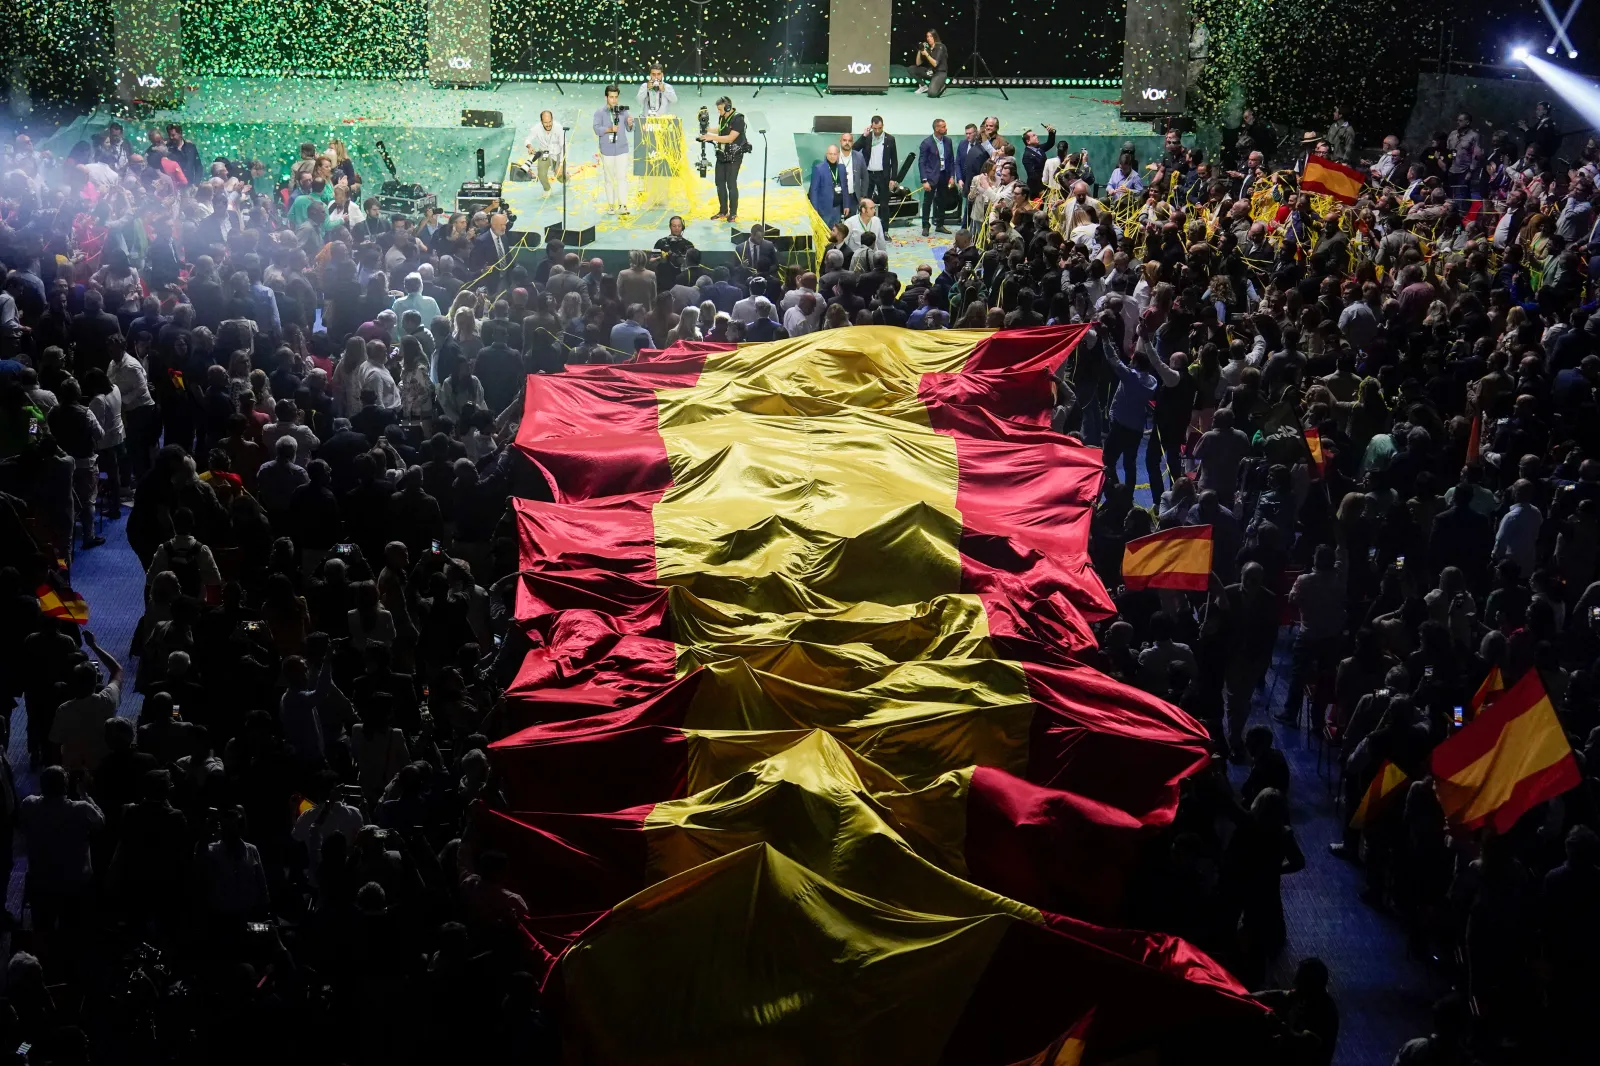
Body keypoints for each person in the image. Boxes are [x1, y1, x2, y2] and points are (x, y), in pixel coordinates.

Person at [697, 96, 748, 223]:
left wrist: (711, 137)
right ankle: (723, 211)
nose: (719, 112)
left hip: (734, 157)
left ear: (728, 107)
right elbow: (721, 129)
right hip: (722, 155)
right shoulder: (723, 117)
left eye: (720, 109)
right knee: (720, 183)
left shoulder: (738, 119)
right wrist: (706, 130)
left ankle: (733, 213)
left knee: (731, 184)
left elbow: (730, 138)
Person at [593, 84, 636, 215]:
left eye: (616, 97)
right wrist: (609, 129)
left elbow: (630, 129)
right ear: (606, 97)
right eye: (611, 97)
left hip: (622, 149)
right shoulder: (600, 112)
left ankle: (623, 205)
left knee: (622, 178)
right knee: (609, 178)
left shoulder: (623, 111)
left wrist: (630, 123)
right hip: (607, 150)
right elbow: (596, 129)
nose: (614, 100)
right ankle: (611, 205)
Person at [917, 118, 957, 237]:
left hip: (944, 175)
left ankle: (939, 224)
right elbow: (921, 162)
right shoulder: (926, 143)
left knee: (942, 200)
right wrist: (924, 180)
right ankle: (925, 226)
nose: (946, 128)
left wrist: (951, 176)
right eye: (943, 127)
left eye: (945, 126)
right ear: (936, 129)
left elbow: (951, 160)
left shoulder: (948, 141)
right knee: (927, 202)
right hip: (931, 177)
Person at [858, 116, 899, 225]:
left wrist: (893, 178)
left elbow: (894, 160)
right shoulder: (867, 138)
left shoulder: (890, 139)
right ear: (871, 126)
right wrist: (863, 135)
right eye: (875, 128)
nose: (877, 131)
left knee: (884, 204)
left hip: (883, 175)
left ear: (883, 126)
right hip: (868, 175)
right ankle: (864, 227)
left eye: (879, 128)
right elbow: (854, 148)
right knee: (865, 202)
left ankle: (884, 230)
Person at [521, 110, 566, 191]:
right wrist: (529, 146)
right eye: (545, 122)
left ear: (552, 120)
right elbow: (527, 140)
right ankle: (547, 189)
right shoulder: (536, 128)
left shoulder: (559, 128)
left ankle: (566, 177)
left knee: (560, 177)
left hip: (557, 154)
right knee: (541, 174)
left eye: (550, 122)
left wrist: (561, 164)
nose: (548, 125)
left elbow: (562, 146)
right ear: (541, 122)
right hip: (544, 153)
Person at [809, 144, 851, 227]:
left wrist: (846, 205)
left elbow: (845, 188)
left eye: (834, 154)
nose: (832, 156)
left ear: (838, 154)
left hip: (837, 208)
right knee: (823, 235)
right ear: (826, 154)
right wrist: (815, 209)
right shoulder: (819, 168)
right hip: (823, 209)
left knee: (835, 235)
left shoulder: (842, 168)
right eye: (830, 154)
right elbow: (814, 190)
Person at [909, 30, 949, 97]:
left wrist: (926, 54)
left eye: (931, 36)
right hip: (931, 72)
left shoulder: (940, 47)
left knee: (932, 94)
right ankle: (923, 86)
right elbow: (918, 63)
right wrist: (920, 50)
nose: (929, 38)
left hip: (940, 73)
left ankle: (941, 85)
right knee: (911, 69)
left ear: (935, 37)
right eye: (927, 36)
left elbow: (935, 64)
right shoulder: (928, 48)